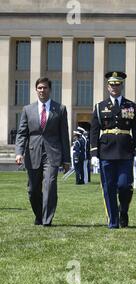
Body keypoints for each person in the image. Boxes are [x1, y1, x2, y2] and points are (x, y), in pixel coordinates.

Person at [15, 77, 71, 226]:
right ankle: (39, 215)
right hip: (33, 152)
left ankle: (47, 219)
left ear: (50, 90)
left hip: (52, 153)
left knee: (50, 185)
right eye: (39, 88)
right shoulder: (27, 109)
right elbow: (22, 133)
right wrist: (19, 152)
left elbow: (64, 135)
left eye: (45, 87)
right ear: (36, 90)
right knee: (33, 189)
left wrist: (67, 160)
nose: (42, 90)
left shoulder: (60, 109)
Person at [90, 71, 136, 229]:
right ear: (108, 87)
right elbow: (93, 131)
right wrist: (93, 153)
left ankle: (123, 210)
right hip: (106, 151)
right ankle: (113, 222)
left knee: (124, 185)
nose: (114, 87)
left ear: (122, 85)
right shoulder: (100, 107)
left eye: (117, 84)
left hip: (125, 151)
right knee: (109, 187)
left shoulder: (131, 106)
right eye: (112, 84)